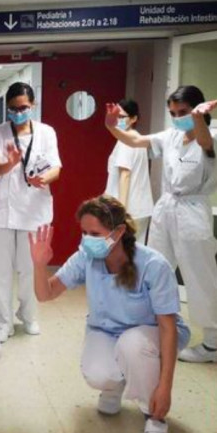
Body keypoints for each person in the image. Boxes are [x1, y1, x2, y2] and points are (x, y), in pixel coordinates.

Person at [30, 195, 190, 433]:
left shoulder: (153, 265)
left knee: (133, 345)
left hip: (151, 336)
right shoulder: (86, 258)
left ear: (118, 232)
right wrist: (39, 265)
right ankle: (113, 388)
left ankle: (153, 414)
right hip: (107, 331)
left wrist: (165, 387)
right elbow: (46, 294)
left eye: (94, 234)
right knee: (96, 373)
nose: (87, 240)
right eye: (84, 233)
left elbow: (167, 327)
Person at [104, 85, 217, 363]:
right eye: (173, 113)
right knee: (153, 267)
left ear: (197, 110)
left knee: (199, 276)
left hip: (193, 211)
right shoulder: (171, 136)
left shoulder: (211, 135)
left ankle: (213, 342)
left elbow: (205, 144)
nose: (178, 117)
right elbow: (135, 141)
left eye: (184, 112)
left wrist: (200, 119)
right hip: (166, 207)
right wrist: (112, 127)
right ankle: (151, 325)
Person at [0, 82, 62, 342]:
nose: (18, 113)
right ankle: (1, 322)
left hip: (34, 209)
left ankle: (29, 316)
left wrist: (45, 179)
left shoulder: (47, 132)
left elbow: (56, 168)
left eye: (23, 108)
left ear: (33, 105)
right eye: (13, 109)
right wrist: (11, 162)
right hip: (0, 211)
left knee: (30, 267)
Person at [104, 99, 153, 243]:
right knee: (135, 252)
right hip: (139, 208)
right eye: (115, 116)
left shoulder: (127, 141)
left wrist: (122, 213)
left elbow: (125, 175)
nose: (117, 120)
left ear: (133, 119)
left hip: (129, 209)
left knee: (122, 253)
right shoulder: (137, 138)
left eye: (121, 117)